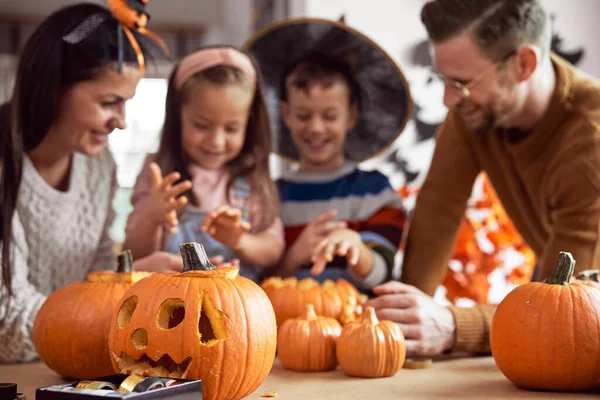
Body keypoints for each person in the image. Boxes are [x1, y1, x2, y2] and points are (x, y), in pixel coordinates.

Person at [367, 0, 600, 356]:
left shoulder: (591, 143)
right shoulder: (474, 112)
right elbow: (437, 210)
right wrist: (403, 320)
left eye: (461, 83)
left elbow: (566, 308)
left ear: (524, 64)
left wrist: (451, 326)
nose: (448, 100)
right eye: (443, 79)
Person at [0, 2, 177, 363]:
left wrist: (136, 283)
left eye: (126, 103)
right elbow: (8, 324)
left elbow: (96, 279)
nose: (121, 122)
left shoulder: (100, 167)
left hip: (65, 366)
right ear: (51, 87)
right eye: (109, 102)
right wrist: (129, 305)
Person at [245, 19, 409, 290]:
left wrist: (356, 248)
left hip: (357, 325)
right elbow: (256, 286)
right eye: (303, 115)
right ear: (286, 114)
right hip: (285, 328)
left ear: (351, 115)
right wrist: (295, 256)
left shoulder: (376, 193)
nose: (316, 128)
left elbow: (384, 273)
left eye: (330, 116)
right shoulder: (268, 197)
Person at [123, 46, 285, 282]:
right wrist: (150, 217)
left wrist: (239, 241)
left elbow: (273, 251)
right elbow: (133, 255)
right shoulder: (157, 171)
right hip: (169, 304)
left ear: (248, 125)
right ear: (179, 118)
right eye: (201, 125)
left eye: (231, 128)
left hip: (238, 308)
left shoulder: (251, 178)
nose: (216, 141)